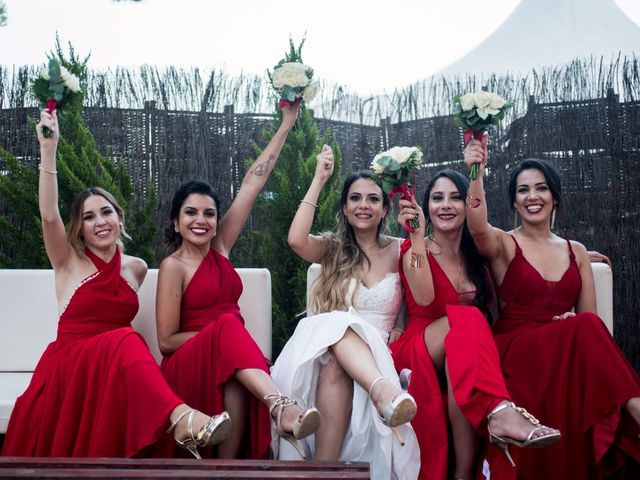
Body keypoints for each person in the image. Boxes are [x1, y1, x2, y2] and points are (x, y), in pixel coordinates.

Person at [1, 110, 230, 458]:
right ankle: (182, 419)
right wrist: (48, 151)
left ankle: (178, 427)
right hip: (72, 363)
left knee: (126, 341)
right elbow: (49, 215)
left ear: (119, 216)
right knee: (127, 337)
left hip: (114, 365)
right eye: (89, 218)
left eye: (106, 212)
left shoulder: (135, 267)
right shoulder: (67, 261)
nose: (99, 222)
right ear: (79, 228)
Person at [463, 139, 640, 479]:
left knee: (585, 327)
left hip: (562, 349)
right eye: (523, 190)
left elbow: (588, 318)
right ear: (514, 202)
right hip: (517, 349)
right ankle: (635, 408)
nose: (533, 196)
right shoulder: (504, 243)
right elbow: (476, 228)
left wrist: (571, 322)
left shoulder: (576, 251)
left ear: (554, 196)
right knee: (584, 329)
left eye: (541, 188)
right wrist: (476, 172)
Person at [156, 104, 320, 460]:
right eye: (191, 213)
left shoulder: (221, 246)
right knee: (229, 327)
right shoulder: (173, 266)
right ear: (175, 222)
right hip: (190, 361)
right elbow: (166, 341)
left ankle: (229, 469)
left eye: (209, 213)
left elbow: (252, 183)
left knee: (234, 370)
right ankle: (281, 408)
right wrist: (218, 337)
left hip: (232, 356)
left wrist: (287, 124)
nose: (201, 220)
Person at [394, 169, 561, 480]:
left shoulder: (479, 254)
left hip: (466, 351)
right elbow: (424, 296)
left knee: (467, 355)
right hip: (422, 345)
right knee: (469, 318)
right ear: (426, 207)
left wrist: (572, 252)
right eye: (437, 198)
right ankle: (500, 413)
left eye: (455, 197)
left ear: (467, 205)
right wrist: (416, 238)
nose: (446, 205)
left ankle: (464, 474)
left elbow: (525, 257)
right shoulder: (414, 251)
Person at [270, 145, 420, 480]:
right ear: (345, 208)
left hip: (378, 351)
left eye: (373, 199)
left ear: (384, 209)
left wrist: (401, 321)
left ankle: (322, 471)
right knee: (337, 327)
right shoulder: (333, 249)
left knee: (339, 355)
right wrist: (319, 179)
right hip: (325, 350)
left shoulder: (401, 249)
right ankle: (382, 394)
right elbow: (296, 239)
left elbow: (422, 296)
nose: (363, 205)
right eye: (355, 198)